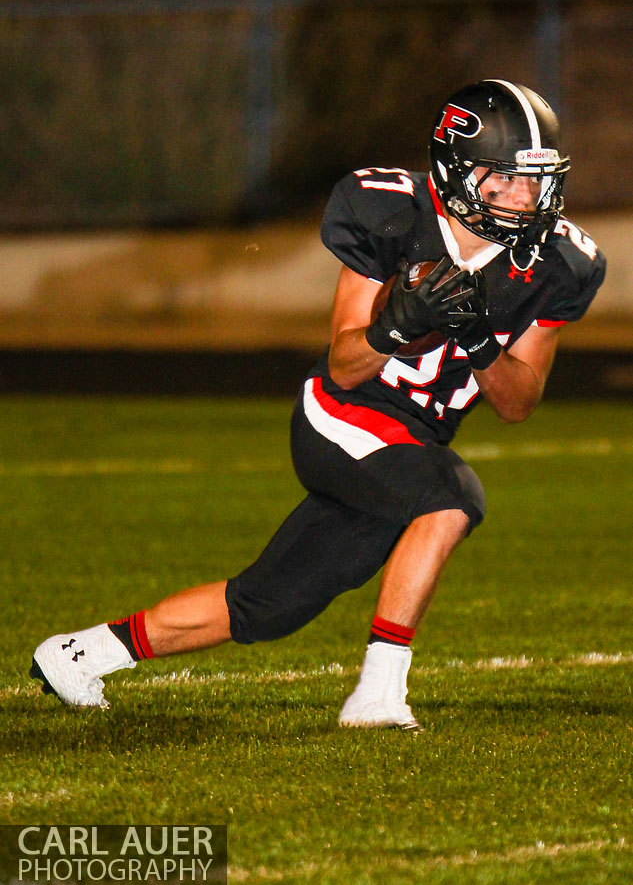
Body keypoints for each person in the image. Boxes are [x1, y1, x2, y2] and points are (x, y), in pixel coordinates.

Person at [30, 79, 606, 730]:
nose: (523, 199)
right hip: (340, 415)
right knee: (451, 498)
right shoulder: (388, 213)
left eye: (535, 181)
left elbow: (517, 402)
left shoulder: (560, 263)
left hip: (411, 443)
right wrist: (401, 321)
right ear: (454, 171)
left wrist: (476, 339)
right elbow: (344, 361)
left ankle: (80, 654)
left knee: (269, 606)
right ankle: (377, 695)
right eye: (502, 180)